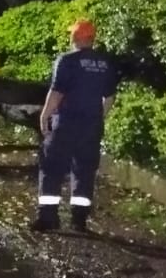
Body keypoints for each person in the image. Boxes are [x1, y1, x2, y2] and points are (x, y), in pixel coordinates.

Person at [31, 20, 119, 232]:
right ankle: (79, 220)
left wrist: (45, 116)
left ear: (77, 38)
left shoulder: (67, 60)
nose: (70, 38)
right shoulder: (105, 62)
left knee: (51, 167)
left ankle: (48, 219)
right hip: (91, 125)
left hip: (66, 123)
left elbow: (57, 92)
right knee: (84, 170)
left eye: (72, 34)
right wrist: (99, 116)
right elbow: (110, 97)